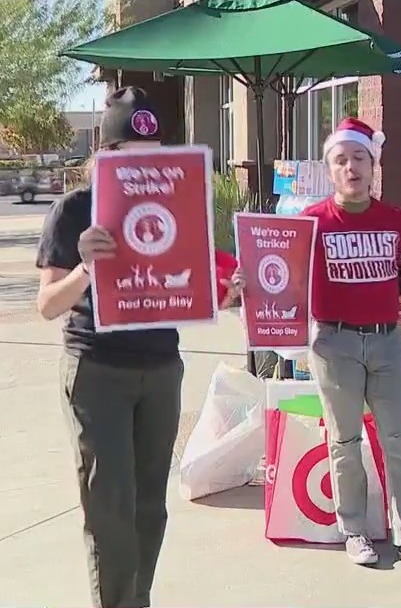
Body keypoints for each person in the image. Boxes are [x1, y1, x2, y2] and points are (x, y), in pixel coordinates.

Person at [34, 86, 243, 608]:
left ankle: (135, 599)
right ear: (107, 153)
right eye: (129, 152)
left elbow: (197, 284)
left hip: (160, 366)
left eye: (152, 151)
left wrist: (229, 290)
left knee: (150, 506)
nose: (142, 162)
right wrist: (86, 267)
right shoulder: (73, 210)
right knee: (110, 505)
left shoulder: (176, 201)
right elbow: (48, 305)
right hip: (96, 368)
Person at [300, 117, 401, 571]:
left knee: (399, 442)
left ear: (374, 166)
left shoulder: (392, 220)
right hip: (333, 342)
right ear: (330, 169)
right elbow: (276, 271)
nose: (352, 168)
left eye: (360, 159)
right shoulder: (311, 222)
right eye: (342, 160)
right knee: (344, 441)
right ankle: (354, 531)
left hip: (387, 343)